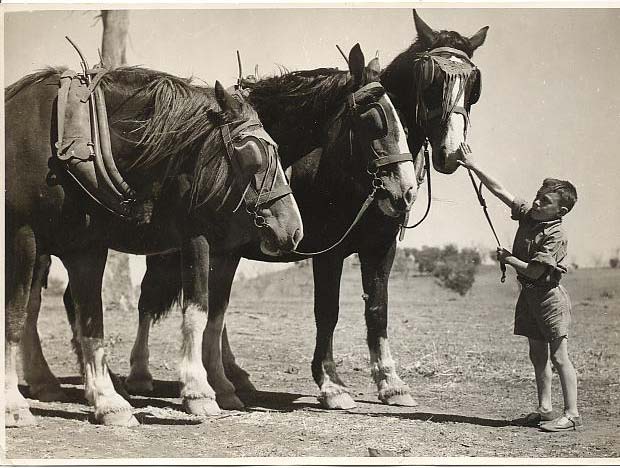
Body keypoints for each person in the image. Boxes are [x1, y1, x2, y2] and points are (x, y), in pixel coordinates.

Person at [457, 142, 581, 432]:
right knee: (537, 355)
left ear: (560, 210)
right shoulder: (530, 216)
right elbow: (500, 190)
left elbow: (536, 271)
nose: (536, 203)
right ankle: (545, 409)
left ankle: (572, 414)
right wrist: (474, 166)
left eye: (544, 201)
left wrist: (509, 258)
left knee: (559, 357)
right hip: (528, 297)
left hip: (549, 299)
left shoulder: (556, 234)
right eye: (537, 197)